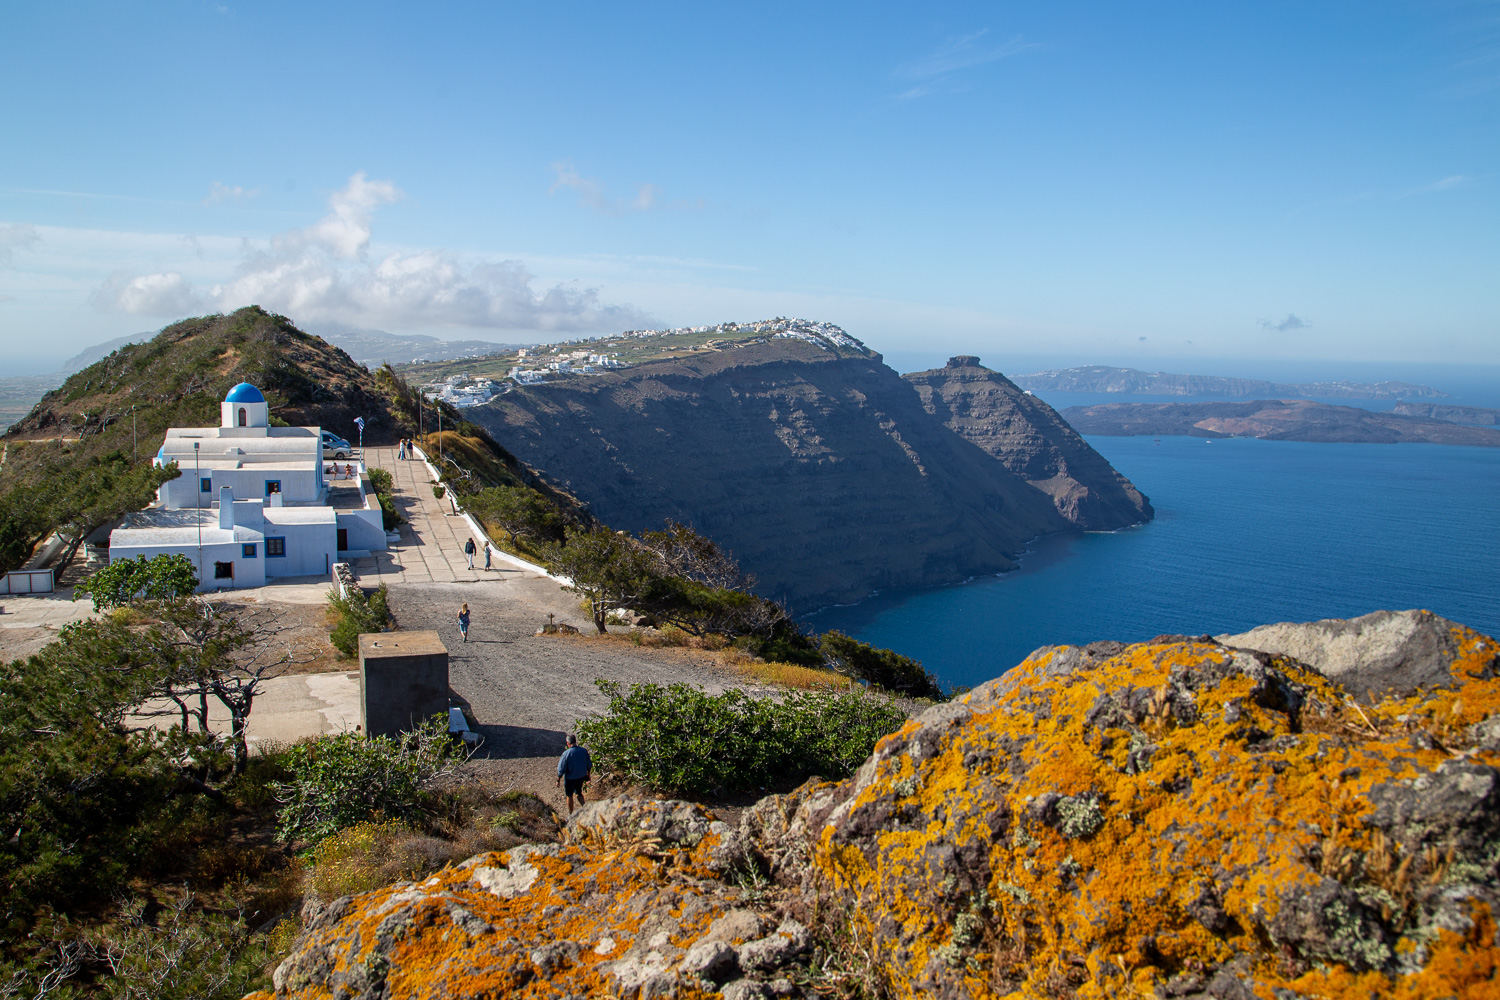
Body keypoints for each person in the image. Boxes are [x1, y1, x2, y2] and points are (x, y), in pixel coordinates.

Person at [556, 734, 592, 814]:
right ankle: (586, 809)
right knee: (579, 793)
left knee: (569, 795)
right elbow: (589, 765)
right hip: (581, 776)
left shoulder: (566, 753)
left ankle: (571, 814)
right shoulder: (583, 751)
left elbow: (561, 768)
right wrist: (588, 776)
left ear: (568, 743)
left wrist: (558, 779)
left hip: (570, 778)